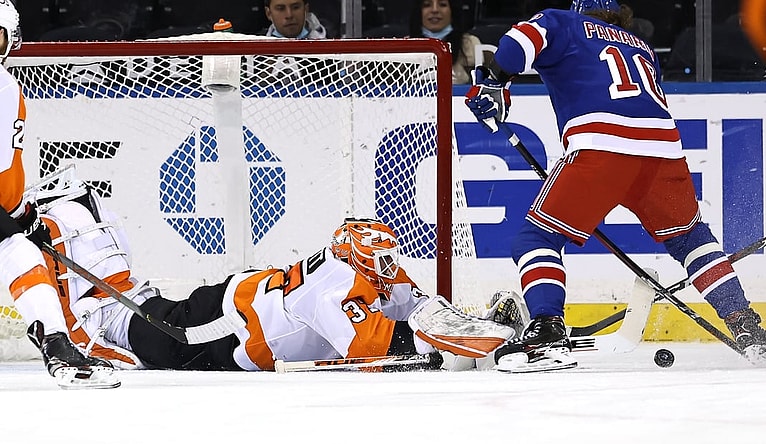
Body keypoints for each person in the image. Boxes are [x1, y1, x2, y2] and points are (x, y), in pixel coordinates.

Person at [464, 0, 766, 372]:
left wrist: (493, 82)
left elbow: (517, 41)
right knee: (692, 240)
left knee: (536, 240)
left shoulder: (563, 22)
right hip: (663, 151)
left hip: (601, 147)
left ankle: (547, 330)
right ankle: (748, 328)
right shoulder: (642, 47)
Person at [31, 175, 514, 371]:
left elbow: (414, 303)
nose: (389, 266)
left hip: (241, 299)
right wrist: (440, 344)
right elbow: (375, 349)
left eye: (390, 258)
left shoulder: (363, 265)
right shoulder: (335, 288)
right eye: (381, 259)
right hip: (227, 334)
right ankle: (93, 320)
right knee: (158, 337)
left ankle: (110, 305)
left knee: (163, 312)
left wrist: (463, 321)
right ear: (358, 257)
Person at [0, 1, 118, 389]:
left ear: (9, 41)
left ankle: (56, 340)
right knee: (18, 249)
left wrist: (21, 213)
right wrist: (18, 216)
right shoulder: (4, 89)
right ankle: (56, 341)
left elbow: (6, 174)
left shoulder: (6, 88)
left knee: (20, 250)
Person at [409, 0, 483, 84]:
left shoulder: (471, 44)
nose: (435, 10)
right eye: (427, 5)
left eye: (442, 5)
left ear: (452, 11)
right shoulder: (403, 47)